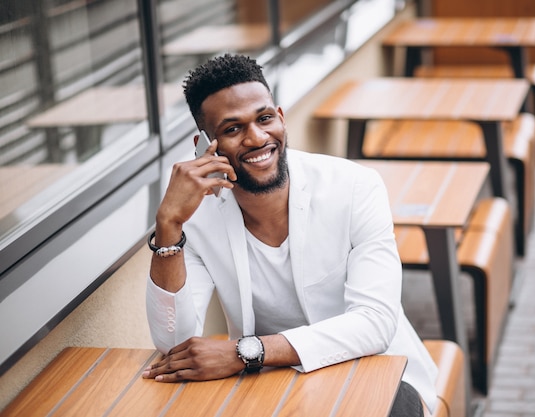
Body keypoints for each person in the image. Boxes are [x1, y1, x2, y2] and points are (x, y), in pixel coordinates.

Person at [143, 54, 438, 416]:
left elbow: (374, 323)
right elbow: (174, 343)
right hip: (271, 388)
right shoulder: (195, 218)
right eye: (232, 129)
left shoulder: (354, 187)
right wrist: (169, 225)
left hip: (378, 375)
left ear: (280, 118)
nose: (257, 138)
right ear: (205, 144)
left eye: (264, 118)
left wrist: (247, 351)